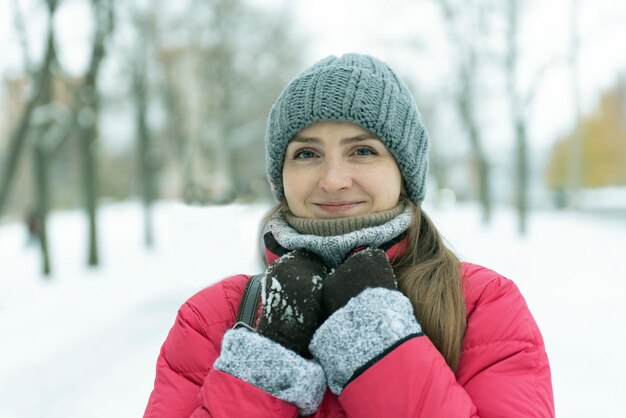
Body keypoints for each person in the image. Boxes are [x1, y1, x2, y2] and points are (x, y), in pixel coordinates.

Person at [143, 53, 555, 417]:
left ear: (404, 173)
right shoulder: (212, 318)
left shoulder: (483, 306)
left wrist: (378, 346)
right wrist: (267, 361)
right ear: (281, 176)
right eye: (307, 154)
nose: (334, 180)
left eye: (363, 151)